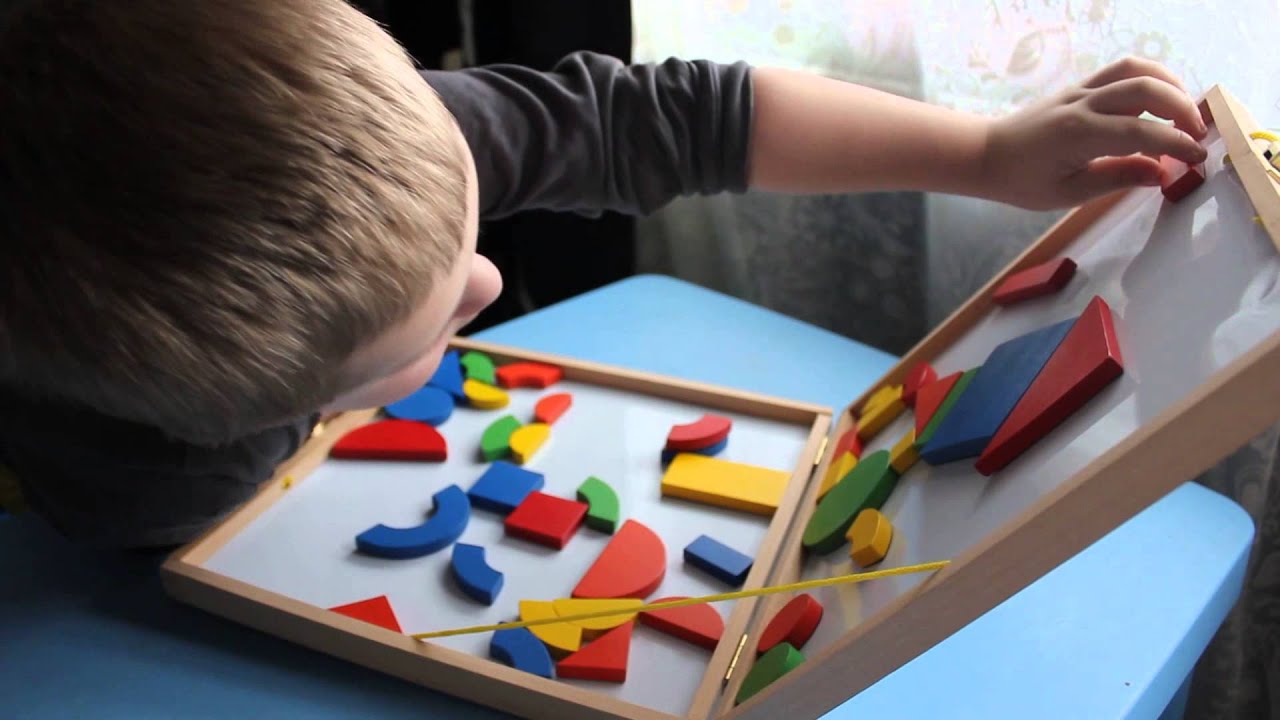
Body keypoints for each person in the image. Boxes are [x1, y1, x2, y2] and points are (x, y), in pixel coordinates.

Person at [0, 0, 1208, 548]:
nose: (488, 285)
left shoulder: (395, 138)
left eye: (466, 229)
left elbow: (669, 117)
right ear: (282, 415)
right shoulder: (154, 485)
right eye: (423, 334)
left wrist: (985, 153)